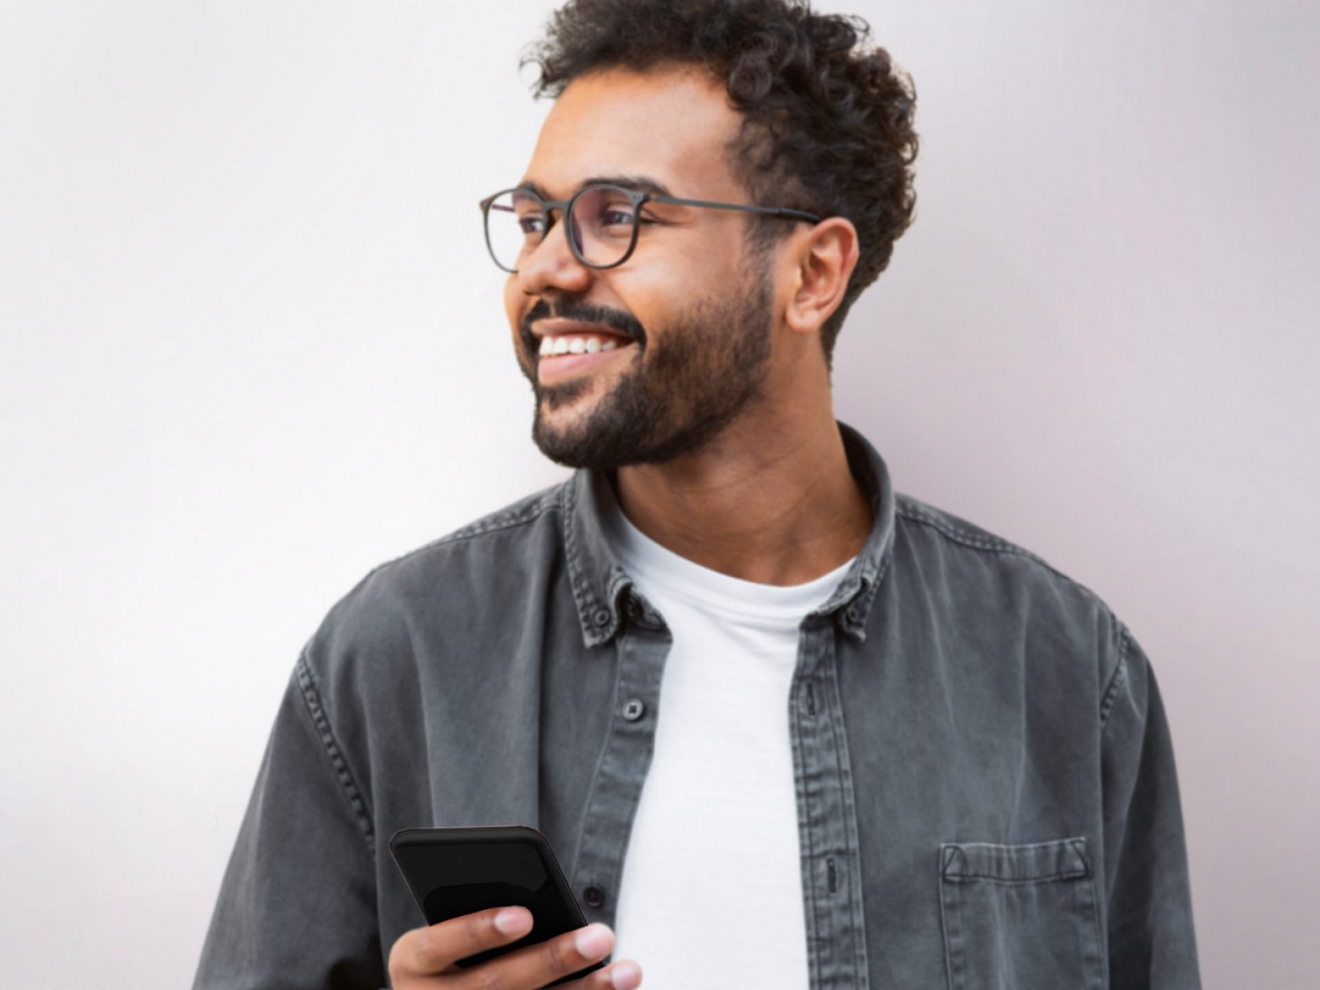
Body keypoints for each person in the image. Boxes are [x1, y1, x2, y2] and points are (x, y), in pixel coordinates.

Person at [193, 1, 1201, 988]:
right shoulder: (397, 655)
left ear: (812, 273)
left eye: (616, 217)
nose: (543, 268)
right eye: (538, 217)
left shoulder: (1065, 670)